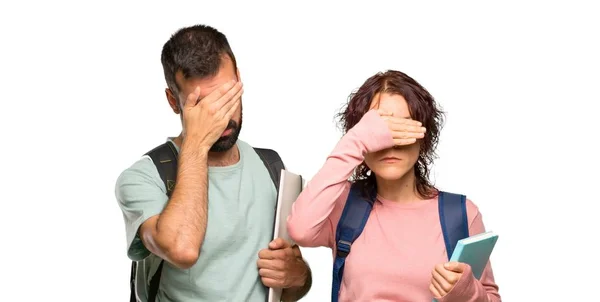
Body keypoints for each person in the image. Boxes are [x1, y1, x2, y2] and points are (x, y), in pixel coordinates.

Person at [115, 24, 312, 302]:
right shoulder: (143, 178)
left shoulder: (271, 166)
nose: (222, 117)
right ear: (174, 101)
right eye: (205, 105)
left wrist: (297, 275)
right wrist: (196, 144)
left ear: (239, 79)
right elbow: (182, 250)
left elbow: (288, 286)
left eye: (227, 96)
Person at [286, 70, 501, 301]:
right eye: (380, 131)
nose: (390, 143)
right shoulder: (343, 203)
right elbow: (301, 229)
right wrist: (355, 142)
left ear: (423, 137)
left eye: (402, 129)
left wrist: (468, 293)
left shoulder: (460, 214)